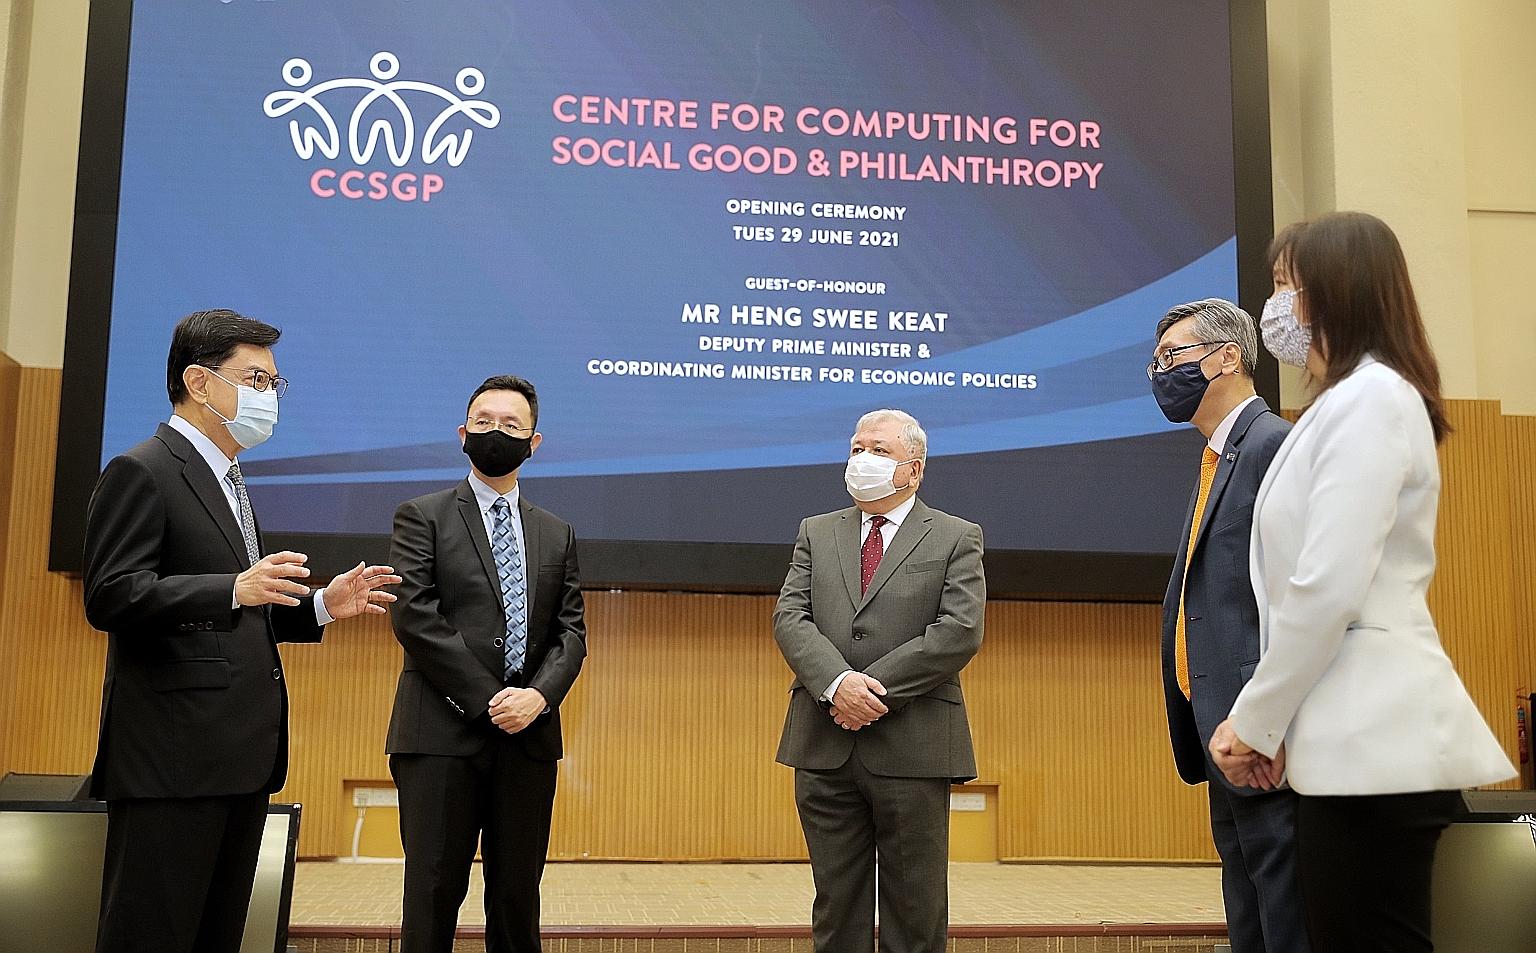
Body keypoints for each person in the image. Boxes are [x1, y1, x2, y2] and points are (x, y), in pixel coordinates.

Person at [1209, 212, 1516, 953]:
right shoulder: (1338, 404)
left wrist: (1255, 719)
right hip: (1346, 744)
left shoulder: (1373, 399)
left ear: (1333, 291)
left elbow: (1326, 586)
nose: (1273, 305)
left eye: (1285, 285)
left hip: (1377, 743)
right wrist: (1284, 723)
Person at [83, 309, 400, 953]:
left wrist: (317, 607)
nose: (268, 397)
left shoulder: (227, 477)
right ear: (200, 383)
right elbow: (112, 595)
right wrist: (232, 586)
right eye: (256, 379)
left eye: (274, 384)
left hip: (237, 760)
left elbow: (227, 615)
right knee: (153, 934)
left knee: (217, 936)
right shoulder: (143, 469)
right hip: (171, 765)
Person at [387, 374, 586, 953]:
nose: (496, 433)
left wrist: (537, 697)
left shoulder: (557, 532)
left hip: (528, 737)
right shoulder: (420, 515)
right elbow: (414, 617)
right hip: (441, 735)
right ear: (462, 433)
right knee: (431, 892)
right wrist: (488, 699)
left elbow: (571, 633)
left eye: (511, 425)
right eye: (484, 422)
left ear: (534, 441)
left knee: (518, 894)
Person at [773, 408, 985, 953]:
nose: (862, 459)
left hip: (914, 746)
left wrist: (870, 691)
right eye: (857, 447)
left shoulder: (957, 536)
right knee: (835, 905)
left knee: (915, 908)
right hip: (824, 743)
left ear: (912, 471)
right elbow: (790, 617)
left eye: (879, 450)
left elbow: (958, 631)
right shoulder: (815, 532)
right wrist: (837, 683)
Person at [1148, 299, 1305, 953]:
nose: (1158, 374)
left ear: (1228, 356)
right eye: (1154, 362)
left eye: (1171, 358)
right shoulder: (1218, 457)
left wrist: (1275, 722)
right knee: (1251, 923)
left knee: (1289, 923)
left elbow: (1306, 602)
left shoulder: (1272, 446)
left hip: (1269, 742)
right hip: (1224, 733)